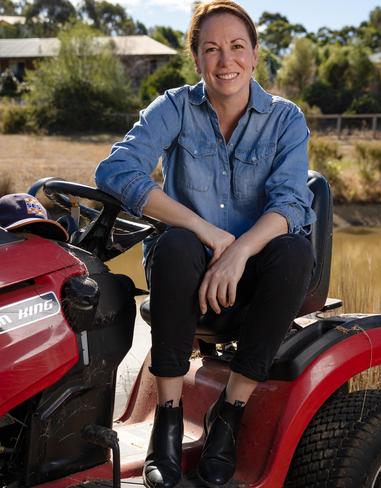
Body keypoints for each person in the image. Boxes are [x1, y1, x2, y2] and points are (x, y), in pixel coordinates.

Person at [94, 1, 316, 486]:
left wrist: (236, 250)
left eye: (237, 47)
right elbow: (114, 171)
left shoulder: (285, 120)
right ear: (196, 59)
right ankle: (168, 422)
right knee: (174, 245)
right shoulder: (174, 107)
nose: (225, 61)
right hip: (186, 275)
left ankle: (228, 416)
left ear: (255, 54)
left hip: (254, 278)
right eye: (211, 49)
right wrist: (205, 230)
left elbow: (293, 206)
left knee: (294, 248)